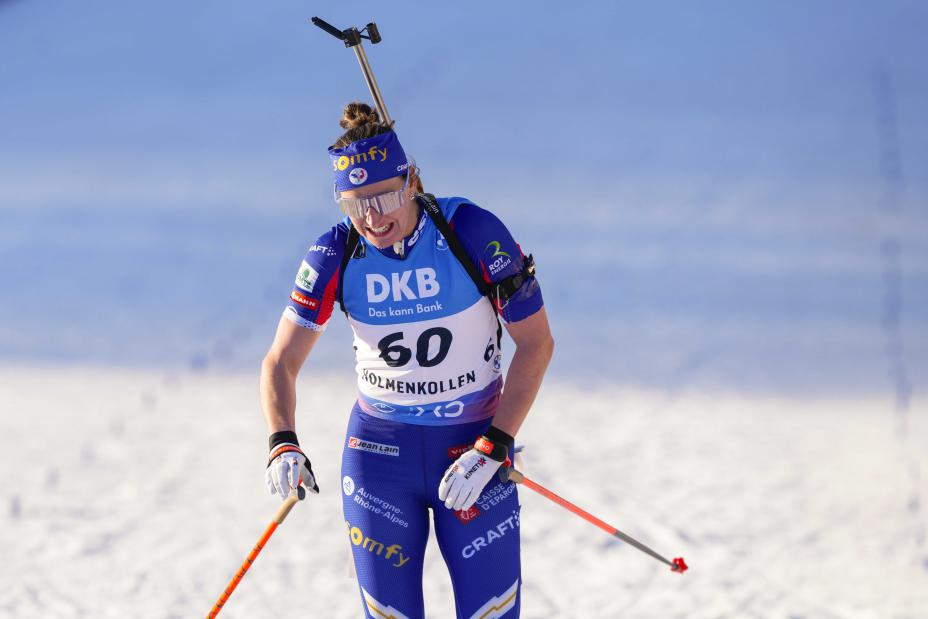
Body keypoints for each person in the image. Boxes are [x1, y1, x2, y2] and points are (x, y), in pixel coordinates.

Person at [260, 102, 554, 619]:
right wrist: (282, 441)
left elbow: (536, 344)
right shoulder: (334, 253)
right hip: (378, 459)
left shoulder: (470, 230)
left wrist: (496, 444)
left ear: (412, 180)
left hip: (473, 450)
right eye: (355, 205)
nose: (373, 219)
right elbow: (280, 361)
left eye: (385, 197)